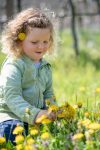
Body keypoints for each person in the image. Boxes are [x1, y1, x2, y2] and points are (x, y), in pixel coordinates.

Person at [0, 7, 57, 144]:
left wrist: (52, 110)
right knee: (13, 132)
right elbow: (12, 97)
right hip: (11, 116)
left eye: (45, 41)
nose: (41, 47)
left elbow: (49, 94)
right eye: (34, 42)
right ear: (19, 40)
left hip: (35, 118)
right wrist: (36, 114)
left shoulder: (45, 67)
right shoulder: (14, 65)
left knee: (56, 132)